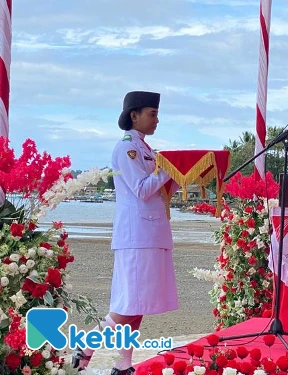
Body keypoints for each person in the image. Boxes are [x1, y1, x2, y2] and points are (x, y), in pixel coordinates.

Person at [72, 91, 178, 375]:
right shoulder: (126, 148)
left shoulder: (146, 148)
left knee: (137, 304)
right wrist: (167, 168)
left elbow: (159, 191)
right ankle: (86, 343)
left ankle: (124, 363)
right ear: (135, 115)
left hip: (150, 233)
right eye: (152, 114)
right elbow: (142, 189)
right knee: (128, 303)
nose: (157, 120)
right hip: (137, 236)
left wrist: (178, 174)